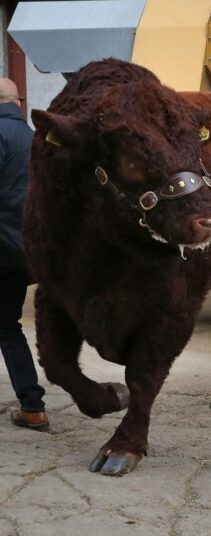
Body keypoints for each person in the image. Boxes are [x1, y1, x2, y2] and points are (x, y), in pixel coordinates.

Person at [0, 78, 48, 432]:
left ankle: (33, 405)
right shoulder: (38, 139)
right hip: (26, 250)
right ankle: (32, 406)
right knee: (6, 325)